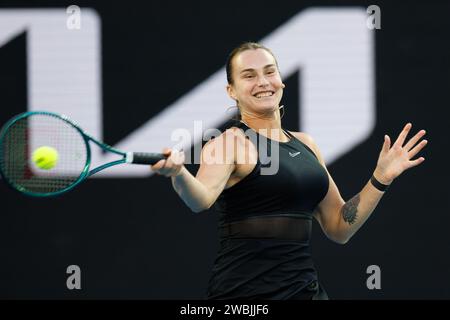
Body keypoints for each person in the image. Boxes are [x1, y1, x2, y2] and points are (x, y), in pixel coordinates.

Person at [151, 42, 428, 299]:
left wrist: (380, 178)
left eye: (269, 72)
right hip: (243, 295)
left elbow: (339, 226)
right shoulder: (229, 143)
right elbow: (200, 199)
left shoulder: (306, 144)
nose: (262, 82)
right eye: (248, 75)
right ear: (231, 90)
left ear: (281, 80)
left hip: (305, 291)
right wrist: (179, 174)